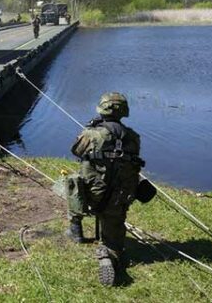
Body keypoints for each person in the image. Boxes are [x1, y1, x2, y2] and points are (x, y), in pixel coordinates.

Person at [65, 92, 144, 286]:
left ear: (101, 109)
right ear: (124, 112)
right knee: (114, 233)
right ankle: (109, 253)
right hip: (119, 198)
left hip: (92, 195)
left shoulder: (91, 134)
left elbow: (75, 150)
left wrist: (91, 129)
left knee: (71, 184)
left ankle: (76, 229)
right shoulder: (134, 137)